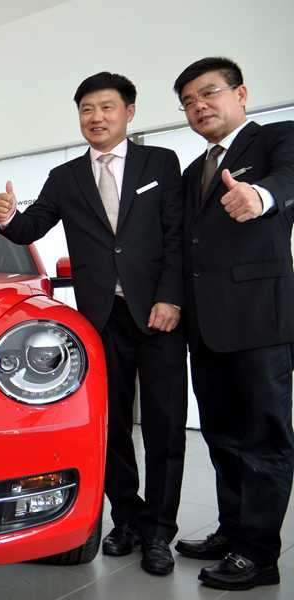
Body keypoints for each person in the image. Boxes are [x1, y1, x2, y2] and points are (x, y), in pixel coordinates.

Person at [0, 72, 188, 575]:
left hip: (159, 314)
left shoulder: (160, 162)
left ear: (129, 112)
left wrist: (171, 297)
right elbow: (32, 226)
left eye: (106, 107)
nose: (96, 117)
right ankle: (126, 520)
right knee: (112, 425)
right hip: (101, 318)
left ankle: (159, 531)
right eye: (86, 109)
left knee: (165, 426)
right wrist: (7, 217)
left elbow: (176, 236)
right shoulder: (65, 176)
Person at [171, 57, 294, 591]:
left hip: (259, 319)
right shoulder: (191, 172)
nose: (199, 106)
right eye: (188, 102)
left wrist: (260, 196)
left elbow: (289, 179)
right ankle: (233, 531)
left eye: (209, 93)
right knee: (222, 437)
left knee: (264, 439)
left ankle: (259, 554)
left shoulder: (277, 139)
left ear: (240, 94)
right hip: (206, 326)